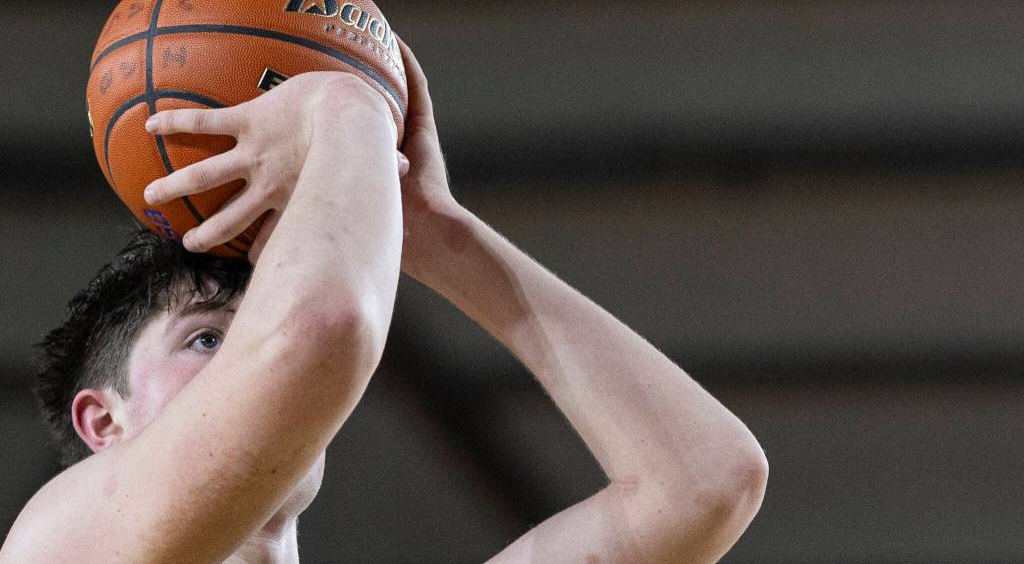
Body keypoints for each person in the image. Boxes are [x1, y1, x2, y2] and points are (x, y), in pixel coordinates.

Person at [0, 40, 767, 563]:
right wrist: (347, 106)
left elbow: (704, 482)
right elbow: (314, 331)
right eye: (205, 338)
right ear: (105, 420)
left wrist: (440, 235)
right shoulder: (56, 542)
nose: (256, 356)